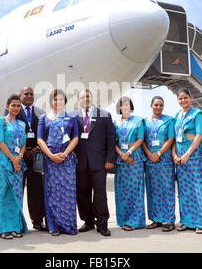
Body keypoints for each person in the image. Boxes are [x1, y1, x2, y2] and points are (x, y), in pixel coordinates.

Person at [73, 89, 116, 237]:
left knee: (100, 194)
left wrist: (110, 159)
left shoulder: (104, 115)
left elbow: (111, 139)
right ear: (78, 100)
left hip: (99, 163)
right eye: (82, 97)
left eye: (87, 96)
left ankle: (102, 224)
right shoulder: (73, 116)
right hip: (80, 163)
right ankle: (88, 221)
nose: (85, 99)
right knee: (82, 194)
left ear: (91, 98)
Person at [172, 88, 202, 234]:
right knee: (184, 191)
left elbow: (199, 136)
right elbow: (174, 138)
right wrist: (174, 155)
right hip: (180, 158)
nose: (183, 100)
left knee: (197, 189)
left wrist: (187, 154)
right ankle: (186, 221)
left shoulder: (197, 114)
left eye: (185, 97)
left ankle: (200, 222)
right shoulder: (177, 115)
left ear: (191, 98)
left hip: (194, 156)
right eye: (180, 98)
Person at [37, 89, 79, 236]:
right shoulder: (44, 118)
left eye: (61, 99)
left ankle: (68, 225)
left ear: (65, 101)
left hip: (67, 159)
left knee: (68, 192)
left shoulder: (71, 117)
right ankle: (53, 226)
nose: (58, 102)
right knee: (52, 192)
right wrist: (50, 155)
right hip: (51, 160)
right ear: (51, 101)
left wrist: (65, 153)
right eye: (55, 99)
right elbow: (40, 139)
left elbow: (75, 137)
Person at [0, 94, 28, 239]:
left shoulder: (22, 124)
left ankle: (14, 226)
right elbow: (0, 142)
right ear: (7, 106)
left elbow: (24, 143)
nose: (15, 108)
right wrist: (13, 158)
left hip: (18, 163)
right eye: (13, 105)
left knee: (16, 195)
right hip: (4, 162)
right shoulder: (1, 121)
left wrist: (19, 157)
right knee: (2, 194)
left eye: (18, 106)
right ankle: (3, 228)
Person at [142, 96, 176, 232]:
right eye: (156, 105)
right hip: (150, 161)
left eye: (161, 105)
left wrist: (159, 153)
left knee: (166, 190)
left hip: (165, 160)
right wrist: (150, 154)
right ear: (151, 106)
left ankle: (169, 220)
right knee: (153, 190)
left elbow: (171, 139)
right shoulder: (145, 122)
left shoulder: (169, 120)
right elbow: (142, 140)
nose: (158, 107)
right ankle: (156, 219)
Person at [113, 96, 146, 231]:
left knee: (135, 191)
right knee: (122, 192)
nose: (125, 107)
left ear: (131, 106)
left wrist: (129, 153)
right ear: (119, 108)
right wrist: (122, 154)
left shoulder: (138, 121)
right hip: (121, 159)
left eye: (127, 105)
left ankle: (135, 221)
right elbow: (113, 142)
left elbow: (140, 139)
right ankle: (124, 220)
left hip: (135, 158)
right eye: (122, 105)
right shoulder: (115, 122)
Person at [17, 86, 47, 232]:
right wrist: (24, 150)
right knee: (17, 190)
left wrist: (36, 149)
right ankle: (16, 221)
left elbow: (44, 133)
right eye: (26, 94)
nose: (29, 96)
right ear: (20, 95)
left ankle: (37, 220)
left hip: (36, 156)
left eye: (31, 94)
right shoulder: (15, 109)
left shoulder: (39, 112)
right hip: (18, 157)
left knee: (36, 190)